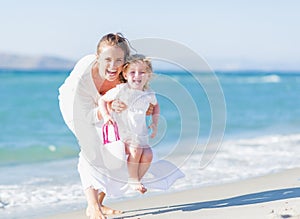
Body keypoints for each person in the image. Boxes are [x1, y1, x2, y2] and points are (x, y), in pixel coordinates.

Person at [58, 33, 146, 219]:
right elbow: (86, 115)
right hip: (74, 104)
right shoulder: (84, 75)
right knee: (91, 146)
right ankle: (92, 206)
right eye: (107, 59)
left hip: (106, 106)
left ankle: (99, 201)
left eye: (118, 60)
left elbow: (139, 95)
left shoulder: (125, 74)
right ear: (98, 58)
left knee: (121, 150)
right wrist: (106, 109)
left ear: (125, 60)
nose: (113, 66)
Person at [99, 54, 159, 194]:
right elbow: (103, 100)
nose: (137, 76)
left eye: (142, 72)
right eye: (132, 72)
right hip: (122, 134)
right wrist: (107, 115)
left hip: (139, 133)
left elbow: (156, 106)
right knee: (136, 149)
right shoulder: (122, 89)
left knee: (148, 155)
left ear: (148, 75)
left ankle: (136, 179)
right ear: (125, 74)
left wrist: (155, 123)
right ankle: (133, 179)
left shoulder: (149, 93)